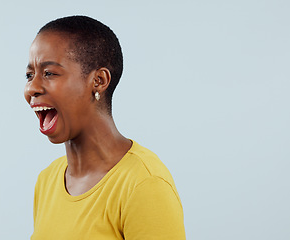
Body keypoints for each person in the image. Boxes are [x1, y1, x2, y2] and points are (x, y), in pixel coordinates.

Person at [24, 15, 186, 240]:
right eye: (29, 75)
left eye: (49, 73)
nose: (32, 87)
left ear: (99, 80)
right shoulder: (48, 180)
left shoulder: (144, 184)